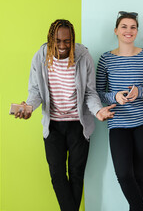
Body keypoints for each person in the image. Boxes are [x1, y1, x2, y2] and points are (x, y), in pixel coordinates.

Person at [14, 19, 116, 211]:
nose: (62, 46)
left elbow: (90, 92)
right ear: (50, 39)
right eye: (58, 41)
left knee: (76, 174)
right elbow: (36, 91)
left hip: (79, 125)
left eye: (67, 41)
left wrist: (97, 111)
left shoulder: (83, 56)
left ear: (73, 39)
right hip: (53, 126)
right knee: (57, 175)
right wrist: (28, 107)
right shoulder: (40, 57)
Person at [96, 11, 143, 211]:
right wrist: (115, 96)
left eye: (132, 27)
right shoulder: (106, 59)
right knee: (124, 174)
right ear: (116, 30)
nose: (128, 31)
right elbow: (97, 92)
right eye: (124, 26)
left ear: (137, 31)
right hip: (118, 121)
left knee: (139, 174)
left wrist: (139, 92)